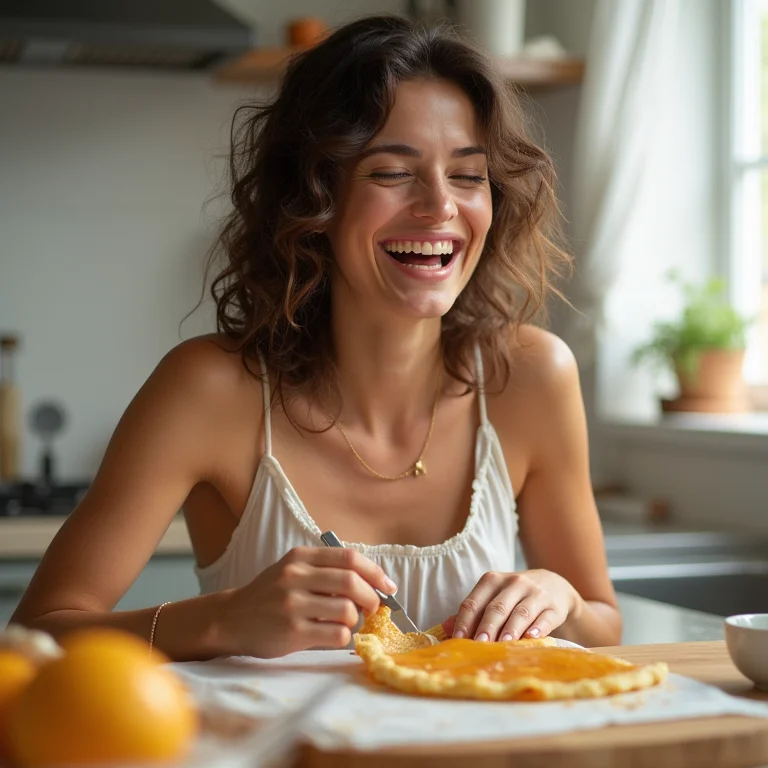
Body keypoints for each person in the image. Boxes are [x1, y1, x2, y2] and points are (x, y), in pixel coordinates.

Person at [11, 15, 621, 660]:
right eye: (391, 172)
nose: (441, 205)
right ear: (315, 196)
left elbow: (603, 624)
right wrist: (222, 620)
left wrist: (561, 598)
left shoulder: (532, 376)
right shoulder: (208, 391)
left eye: (468, 175)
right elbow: (32, 637)